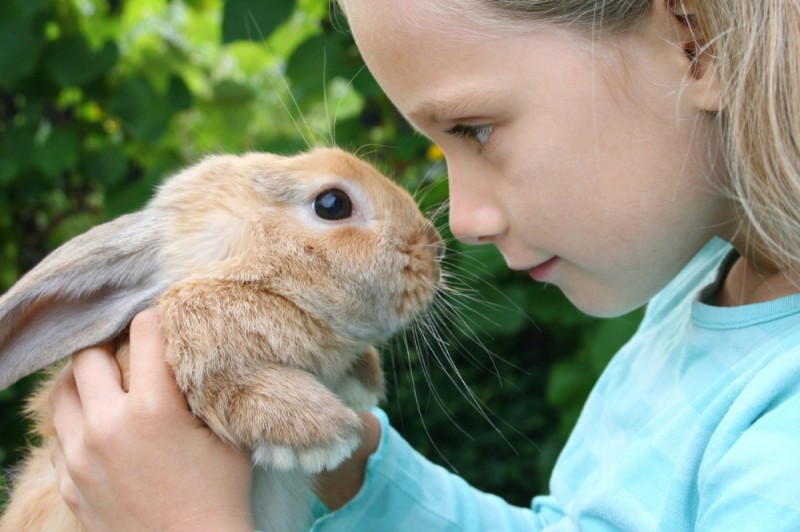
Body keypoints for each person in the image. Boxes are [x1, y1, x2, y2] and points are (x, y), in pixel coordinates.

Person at [48, 0, 800, 529]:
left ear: (694, 39)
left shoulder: (781, 447)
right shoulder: (699, 302)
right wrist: (352, 474)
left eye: (474, 130)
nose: (463, 219)